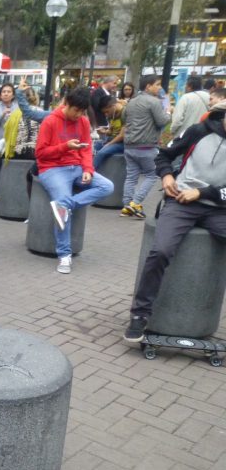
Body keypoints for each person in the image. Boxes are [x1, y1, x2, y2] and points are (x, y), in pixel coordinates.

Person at [123, 101, 226, 342]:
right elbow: (164, 155)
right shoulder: (198, 131)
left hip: (218, 208)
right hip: (181, 201)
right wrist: (167, 175)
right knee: (160, 251)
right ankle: (139, 314)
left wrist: (203, 193)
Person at [35, 87, 114, 274]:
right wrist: (64, 147)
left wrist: (88, 169)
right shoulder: (50, 121)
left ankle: (67, 205)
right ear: (67, 105)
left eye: (82, 111)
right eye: (75, 110)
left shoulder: (84, 122)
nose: (78, 115)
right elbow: (40, 153)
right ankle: (64, 255)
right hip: (52, 169)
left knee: (107, 186)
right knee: (62, 202)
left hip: (77, 167)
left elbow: (86, 149)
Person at [121, 75, 171, 219]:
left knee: (131, 177)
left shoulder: (131, 101)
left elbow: (124, 118)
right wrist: (168, 112)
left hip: (129, 146)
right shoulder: (154, 102)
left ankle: (126, 206)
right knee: (151, 175)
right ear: (148, 86)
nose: (160, 87)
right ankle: (135, 203)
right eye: (157, 84)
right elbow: (162, 121)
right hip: (146, 146)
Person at [93, 96, 125, 171]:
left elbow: (122, 135)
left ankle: (90, 172)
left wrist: (109, 144)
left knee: (101, 152)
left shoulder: (125, 112)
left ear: (113, 106)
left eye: (107, 112)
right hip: (111, 140)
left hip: (122, 143)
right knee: (94, 146)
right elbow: (110, 131)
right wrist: (104, 131)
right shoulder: (112, 115)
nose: (106, 115)